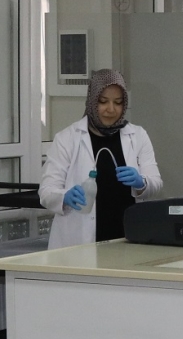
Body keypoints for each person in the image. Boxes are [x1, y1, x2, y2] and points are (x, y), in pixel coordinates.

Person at [41, 69, 160, 250]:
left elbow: (156, 183)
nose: (111, 109)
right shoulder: (67, 138)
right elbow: (46, 192)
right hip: (79, 242)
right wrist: (64, 197)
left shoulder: (138, 136)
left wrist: (141, 183)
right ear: (92, 100)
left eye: (118, 102)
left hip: (127, 238)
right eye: (103, 101)